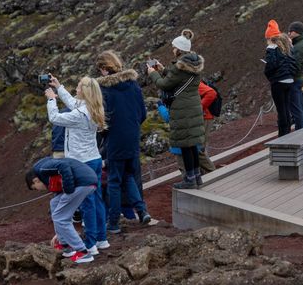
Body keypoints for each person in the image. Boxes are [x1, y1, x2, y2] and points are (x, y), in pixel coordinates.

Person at [45, 75, 108, 255]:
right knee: (96, 199)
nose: (76, 89)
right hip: (94, 159)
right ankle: (101, 239)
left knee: (86, 202)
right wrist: (59, 87)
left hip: (82, 162)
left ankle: (90, 244)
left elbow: (55, 118)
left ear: (85, 91)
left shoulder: (80, 114)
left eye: (79, 87)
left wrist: (51, 99)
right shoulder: (93, 107)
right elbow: (73, 103)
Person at [96, 51, 151, 234]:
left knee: (114, 180)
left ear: (105, 69)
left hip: (115, 140)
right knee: (129, 176)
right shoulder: (133, 84)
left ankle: (113, 223)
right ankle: (142, 211)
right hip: (132, 137)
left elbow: (104, 120)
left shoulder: (104, 90)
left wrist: (103, 134)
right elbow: (142, 113)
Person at [148, 38, 206, 189]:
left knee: (185, 145)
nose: (172, 49)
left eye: (174, 47)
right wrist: (163, 69)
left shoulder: (179, 67)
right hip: (193, 106)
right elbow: (178, 79)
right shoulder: (194, 64)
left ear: (179, 49)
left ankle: (189, 179)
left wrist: (153, 73)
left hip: (182, 109)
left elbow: (164, 84)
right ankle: (197, 176)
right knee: (192, 144)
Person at [26, 157, 99, 263]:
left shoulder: (42, 169)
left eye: (35, 188)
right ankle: (65, 245)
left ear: (35, 181)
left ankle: (82, 252)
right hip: (83, 181)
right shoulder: (41, 169)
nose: (39, 190)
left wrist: (68, 190)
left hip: (83, 183)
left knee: (60, 217)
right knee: (54, 203)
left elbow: (63, 166)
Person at [263, 20, 296, 136]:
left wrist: (270, 76)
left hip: (278, 82)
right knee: (286, 108)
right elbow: (293, 62)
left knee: (281, 109)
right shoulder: (287, 46)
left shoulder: (271, 49)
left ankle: (283, 134)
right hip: (289, 80)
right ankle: (288, 131)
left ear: (270, 38)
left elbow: (271, 65)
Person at [287, 21, 303, 130]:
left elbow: (295, 66)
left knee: (296, 109)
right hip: (300, 78)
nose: (289, 34)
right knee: (301, 106)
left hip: (295, 79)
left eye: (290, 32)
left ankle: (301, 132)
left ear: (295, 32)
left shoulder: (299, 46)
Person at [197, 81, 218, 172]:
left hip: (205, 117)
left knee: (200, 147)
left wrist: (199, 108)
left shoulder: (195, 82)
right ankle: (205, 171)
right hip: (204, 116)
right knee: (201, 146)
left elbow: (211, 93)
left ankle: (211, 171)